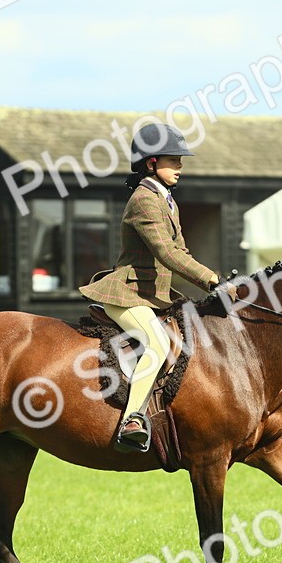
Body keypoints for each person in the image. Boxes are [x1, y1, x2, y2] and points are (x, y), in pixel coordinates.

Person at [79, 123, 222, 453]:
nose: (181, 166)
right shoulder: (144, 200)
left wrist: (210, 280)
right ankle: (132, 419)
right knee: (157, 342)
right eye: (174, 160)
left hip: (151, 294)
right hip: (125, 294)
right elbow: (166, 253)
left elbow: (181, 252)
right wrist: (209, 278)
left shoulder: (168, 201)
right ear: (152, 162)